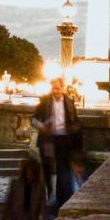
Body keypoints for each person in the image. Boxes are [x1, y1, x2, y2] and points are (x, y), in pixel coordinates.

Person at [32, 78, 82, 208]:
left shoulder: (69, 102)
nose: (56, 91)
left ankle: (61, 198)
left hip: (64, 139)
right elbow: (33, 119)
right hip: (49, 139)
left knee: (62, 168)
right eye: (53, 88)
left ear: (62, 88)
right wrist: (41, 126)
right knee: (47, 167)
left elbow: (75, 120)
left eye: (58, 88)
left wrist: (74, 129)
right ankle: (50, 193)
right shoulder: (44, 102)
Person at [0, 155, 47, 220]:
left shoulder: (40, 186)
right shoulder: (15, 183)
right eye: (27, 170)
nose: (29, 173)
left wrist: (41, 218)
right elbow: (8, 202)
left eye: (32, 171)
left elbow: (42, 204)